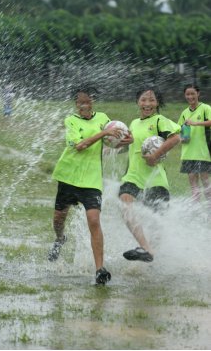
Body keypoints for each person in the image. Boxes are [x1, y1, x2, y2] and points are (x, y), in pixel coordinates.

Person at [48, 86, 124, 285]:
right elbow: (80, 146)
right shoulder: (71, 121)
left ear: (93, 102)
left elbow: (115, 139)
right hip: (68, 177)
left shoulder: (103, 119)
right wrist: (103, 133)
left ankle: (100, 269)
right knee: (59, 218)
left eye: (88, 101)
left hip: (91, 180)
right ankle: (60, 238)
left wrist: (125, 138)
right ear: (75, 103)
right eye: (80, 102)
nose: (84, 105)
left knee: (93, 220)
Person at [119, 87, 181, 262]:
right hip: (133, 177)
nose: (147, 104)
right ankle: (145, 247)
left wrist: (155, 155)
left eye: (151, 100)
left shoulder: (160, 120)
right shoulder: (133, 123)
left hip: (155, 180)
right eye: (143, 100)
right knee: (125, 205)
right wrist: (116, 146)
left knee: (157, 224)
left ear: (157, 103)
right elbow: (132, 147)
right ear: (138, 102)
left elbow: (175, 138)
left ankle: (152, 256)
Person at [178, 84, 211, 203]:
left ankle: (209, 213)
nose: (190, 96)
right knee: (194, 187)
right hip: (188, 153)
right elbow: (180, 130)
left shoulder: (205, 108)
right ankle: (196, 214)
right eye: (187, 94)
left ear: (198, 94)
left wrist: (195, 123)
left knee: (206, 186)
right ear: (184, 95)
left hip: (203, 153)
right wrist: (182, 138)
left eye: (192, 93)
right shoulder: (184, 113)